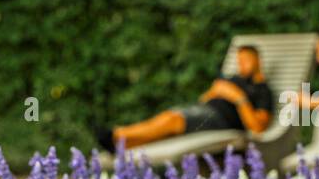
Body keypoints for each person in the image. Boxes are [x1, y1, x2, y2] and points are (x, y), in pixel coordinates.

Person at [100, 44, 273, 151]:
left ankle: (118, 134)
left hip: (220, 121)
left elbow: (257, 128)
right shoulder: (234, 79)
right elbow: (204, 98)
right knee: (169, 119)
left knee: (174, 120)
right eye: (239, 61)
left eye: (245, 61)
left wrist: (238, 98)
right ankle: (125, 144)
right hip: (204, 109)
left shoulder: (262, 91)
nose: (241, 65)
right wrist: (216, 91)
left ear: (258, 61)